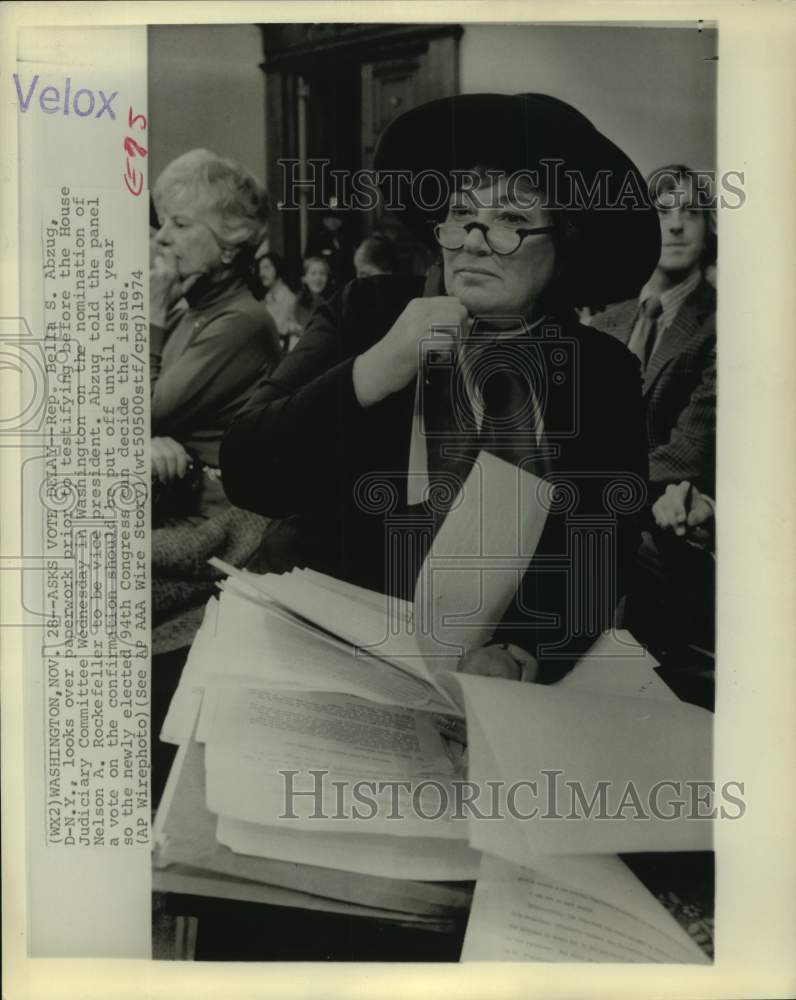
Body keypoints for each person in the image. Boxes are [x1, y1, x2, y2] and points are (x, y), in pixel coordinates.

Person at [221, 93, 661, 683]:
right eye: (461, 213)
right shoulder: (368, 311)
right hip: (318, 642)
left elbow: (600, 550)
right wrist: (374, 369)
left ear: (566, 239)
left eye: (511, 220)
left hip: (473, 681)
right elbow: (246, 468)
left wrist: (523, 652)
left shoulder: (602, 372)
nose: (475, 240)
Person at [149, 148, 281, 625]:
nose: (162, 236)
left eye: (181, 224)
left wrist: (149, 315)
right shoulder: (191, 310)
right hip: (168, 504)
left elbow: (131, 413)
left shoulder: (242, 322)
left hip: (215, 530)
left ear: (229, 244)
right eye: (163, 221)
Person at [591, 164, 717, 494]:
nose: (676, 225)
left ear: (708, 230)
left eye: (691, 212)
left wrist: (592, 483)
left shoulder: (724, 324)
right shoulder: (603, 324)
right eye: (662, 212)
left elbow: (690, 451)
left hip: (666, 511)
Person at [255, 250, 298, 352]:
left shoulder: (291, 299)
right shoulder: (264, 300)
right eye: (260, 269)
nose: (261, 274)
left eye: (266, 268)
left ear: (277, 267)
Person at [291, 256, 331, 350]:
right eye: (313, 273)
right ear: (304, 278)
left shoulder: (330, 301)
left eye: (322, 273)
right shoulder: (300, 301)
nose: (318, 278)